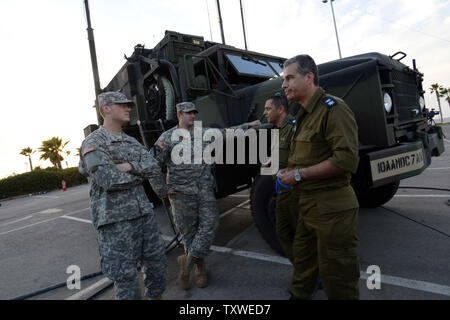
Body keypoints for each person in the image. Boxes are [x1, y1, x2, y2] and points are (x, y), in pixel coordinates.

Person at [153, 101, 260, 290]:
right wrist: (161, 189)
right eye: (188, 113)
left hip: (203, 189)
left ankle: (186, 263)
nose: (192, 116)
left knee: (211, 224)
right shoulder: (167, 138)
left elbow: (227, 133)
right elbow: (151, 164)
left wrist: (247, 126)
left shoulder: (203, 133)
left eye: (194, 113)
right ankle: (199, 268)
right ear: (179, 115)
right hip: (180, 193)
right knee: (189, 233)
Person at [279, 55, 360, 300]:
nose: (284, 85)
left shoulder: (333, 109)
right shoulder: (303, 115)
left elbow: (345, 160)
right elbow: (305, 156)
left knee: (338, 277)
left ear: (309, 77)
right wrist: (288, 171)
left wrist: (299, 174)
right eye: (284, 80)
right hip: (308, 207)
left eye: (290, 78)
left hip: (332, 210)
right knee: (304, 266)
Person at [78, 91, 167, 300]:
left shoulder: (132, 142)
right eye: (122, 105)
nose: (128, 108)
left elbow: (153, 166)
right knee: (126, 278)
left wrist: (129, 166)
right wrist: (140, 175)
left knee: (157, 265)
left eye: (128, 105)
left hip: (143, 214)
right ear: (106, 109)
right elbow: (108, 179)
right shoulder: (93, 142)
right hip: (115, 221)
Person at [262, 93, 298, 262]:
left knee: (301, 235)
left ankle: (312, 274)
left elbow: (305, 158)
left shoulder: (294, 127)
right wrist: (271, 160)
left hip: (297, 192)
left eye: (268, 109)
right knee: (283, 233)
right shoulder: (278, 130)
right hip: (283, 192)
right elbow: (282, 153)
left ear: (281, 109)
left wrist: (288, 170)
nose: (265, 113)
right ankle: (303, 269)